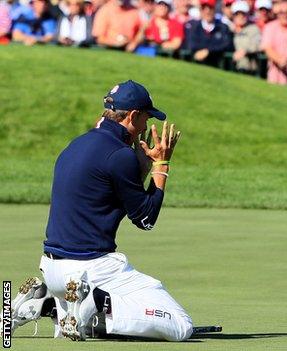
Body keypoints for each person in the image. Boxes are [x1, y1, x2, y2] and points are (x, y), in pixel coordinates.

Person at [10, 80, 194, 340]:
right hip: (92, 270)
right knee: (180, 325)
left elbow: (106, 195)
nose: (146, 125)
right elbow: (145, 220)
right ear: (132, 115)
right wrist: (161, 166)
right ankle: (95, 302)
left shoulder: (76, 145)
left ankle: (45, 303)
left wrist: (139, 167)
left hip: (53, 270)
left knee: (94, 324)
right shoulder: (120, 156)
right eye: (146, 117)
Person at [184, 0, 233, 65]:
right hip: (196, 63)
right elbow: (192, 44)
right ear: (200, 10)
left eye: (210, 8)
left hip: (217, 64)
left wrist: (208, 51)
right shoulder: (193, 26)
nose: (207, 11)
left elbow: (226, 45)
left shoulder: (223, 27)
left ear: (214, 9)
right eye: (204, 8)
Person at [231, 0, 262, 73]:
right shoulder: (229, 29)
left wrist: (245, 51)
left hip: (250, 69)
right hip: (232, 67)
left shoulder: (254, 28)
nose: (241, 16)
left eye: (243, 14)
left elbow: (257, 44)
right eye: (237, 14)